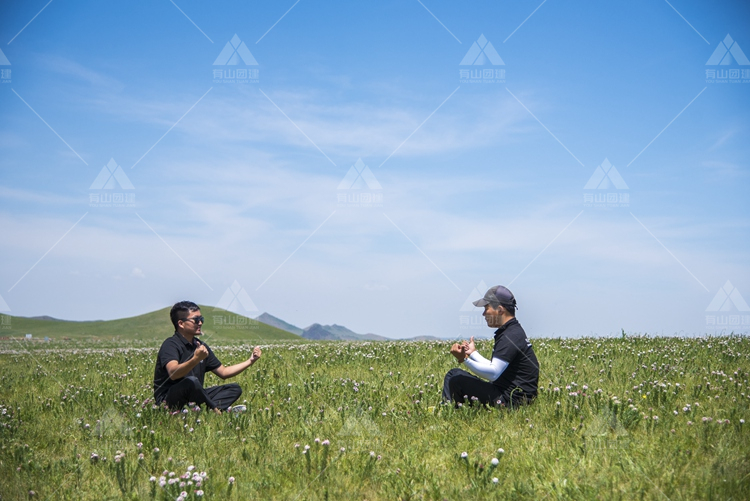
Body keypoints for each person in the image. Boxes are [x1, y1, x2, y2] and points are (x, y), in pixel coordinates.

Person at [153, 301, 262, 413]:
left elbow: (224, 372)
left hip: (193, 396)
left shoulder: (200, 346)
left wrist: (250, 361)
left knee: (234, 389)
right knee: (191, 382)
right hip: (168, 400)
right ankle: (216, 411)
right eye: (196, 320)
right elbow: (173, 373)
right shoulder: (170, 344)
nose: (200, 323)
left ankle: (200, 410)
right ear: (181, 323)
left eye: (202, 319)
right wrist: (196, 359)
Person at [443, 285, 539, 408]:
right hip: (513, 397)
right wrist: (472, 353)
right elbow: (497, 367)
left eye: (486, 308)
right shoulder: (512, 331)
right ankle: (453, 408)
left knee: (456, 378)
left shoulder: (509, 336)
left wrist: (464, 359)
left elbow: (493, 374)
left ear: (499, 309)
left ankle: (447, 410)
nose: (483, 314)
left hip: (510, 402)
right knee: (454, 374)